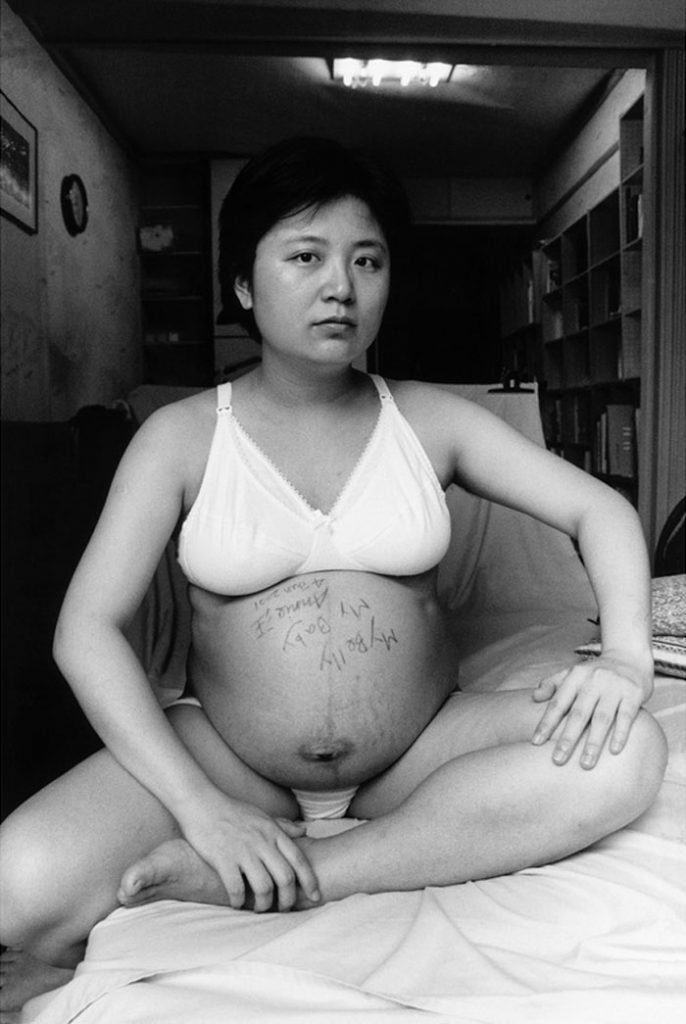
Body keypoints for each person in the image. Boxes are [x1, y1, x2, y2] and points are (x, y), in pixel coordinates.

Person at [0, 137, 666, 1013]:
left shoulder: (430, 419)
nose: (341, 287)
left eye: (367, 260)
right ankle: (242, 849)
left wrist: (625, 658)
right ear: (245, 285)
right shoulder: (182, 436)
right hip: (231, 760)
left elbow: (600, 511)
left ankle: (312, 872)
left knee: (628, 756)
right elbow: (85, 631)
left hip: (418, 755)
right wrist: (203, 809)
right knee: (16, 883)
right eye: (306, 257)